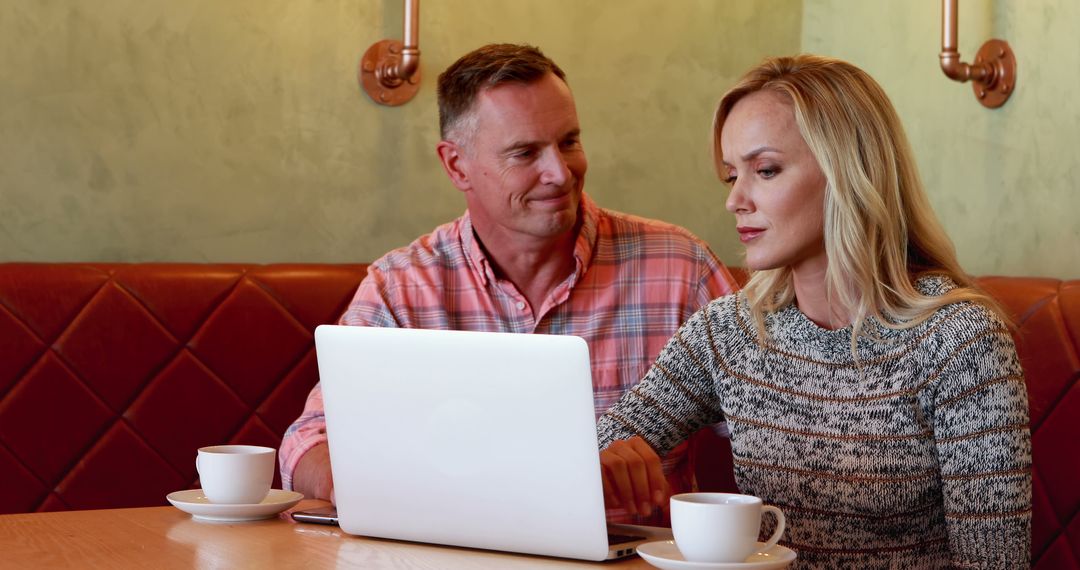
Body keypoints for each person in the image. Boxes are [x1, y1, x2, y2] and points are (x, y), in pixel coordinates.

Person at [597, 54, 1031, 568]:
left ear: (847, 172)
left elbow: (994, 563)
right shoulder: (730, 329)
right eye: (731, 175)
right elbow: (598, 450)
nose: (735, 200)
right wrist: (604, 461)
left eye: (765, 170)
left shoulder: (960, 340)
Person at [279, 43, 740, 524]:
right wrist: (372, 478)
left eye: (568, 141)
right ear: (457, 165)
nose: (560, 173)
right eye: (525, 152)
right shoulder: (400, 288)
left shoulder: (681, 267)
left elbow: (769, 425)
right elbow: (308, 444)